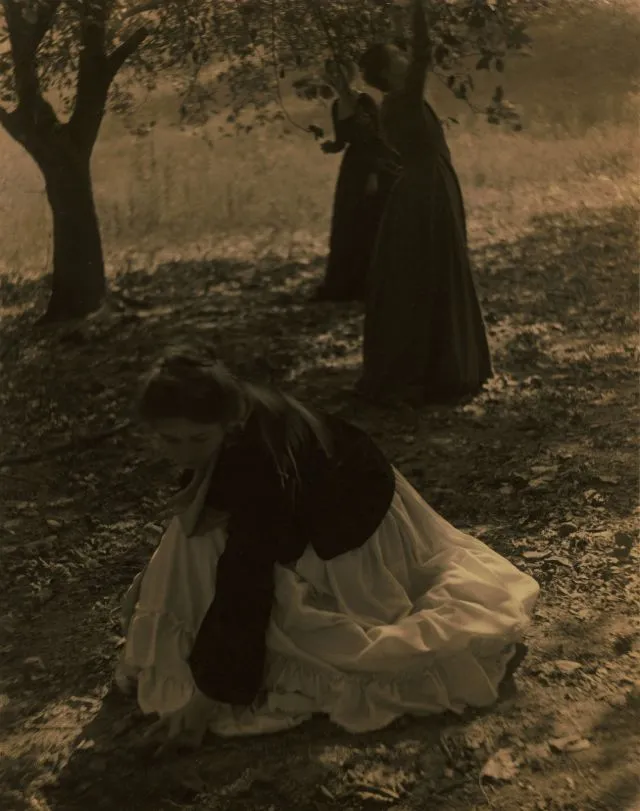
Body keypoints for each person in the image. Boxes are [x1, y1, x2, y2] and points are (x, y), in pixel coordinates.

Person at [116, 344, 539, 748]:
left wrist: (208, 698)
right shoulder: (224, 418)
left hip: (350, 511)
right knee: (192, 542)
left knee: (233, 571)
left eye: (197, 440)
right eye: (172, 440)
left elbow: (246, 579)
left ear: (227, 425)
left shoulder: (257, 460)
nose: (185, 452)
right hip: (303, 494)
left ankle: (212, 668)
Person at [357, 0, 493, 404]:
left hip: (422, 186)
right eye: (395, 57)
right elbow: (422, 50)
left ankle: (435, 365)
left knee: (432, 268)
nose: (404, 57)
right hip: (427, 190)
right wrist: (417, 8)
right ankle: (441, 369)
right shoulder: (403, 97)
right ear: (387, 71)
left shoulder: (393, 103)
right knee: (436, 266)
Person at [313, 59, 400, 302]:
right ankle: (345, 284)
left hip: (371, 165)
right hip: (351, 169)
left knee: (368, 223)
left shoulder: (364, 101)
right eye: (332, 76)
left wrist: (373, 175)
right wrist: (332, 146)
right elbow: (343, 140)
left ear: (350, 77)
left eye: (341, 75)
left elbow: (376, 139)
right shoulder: (336, 105)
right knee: (347, 221)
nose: (337, 80)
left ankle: (370, 283)